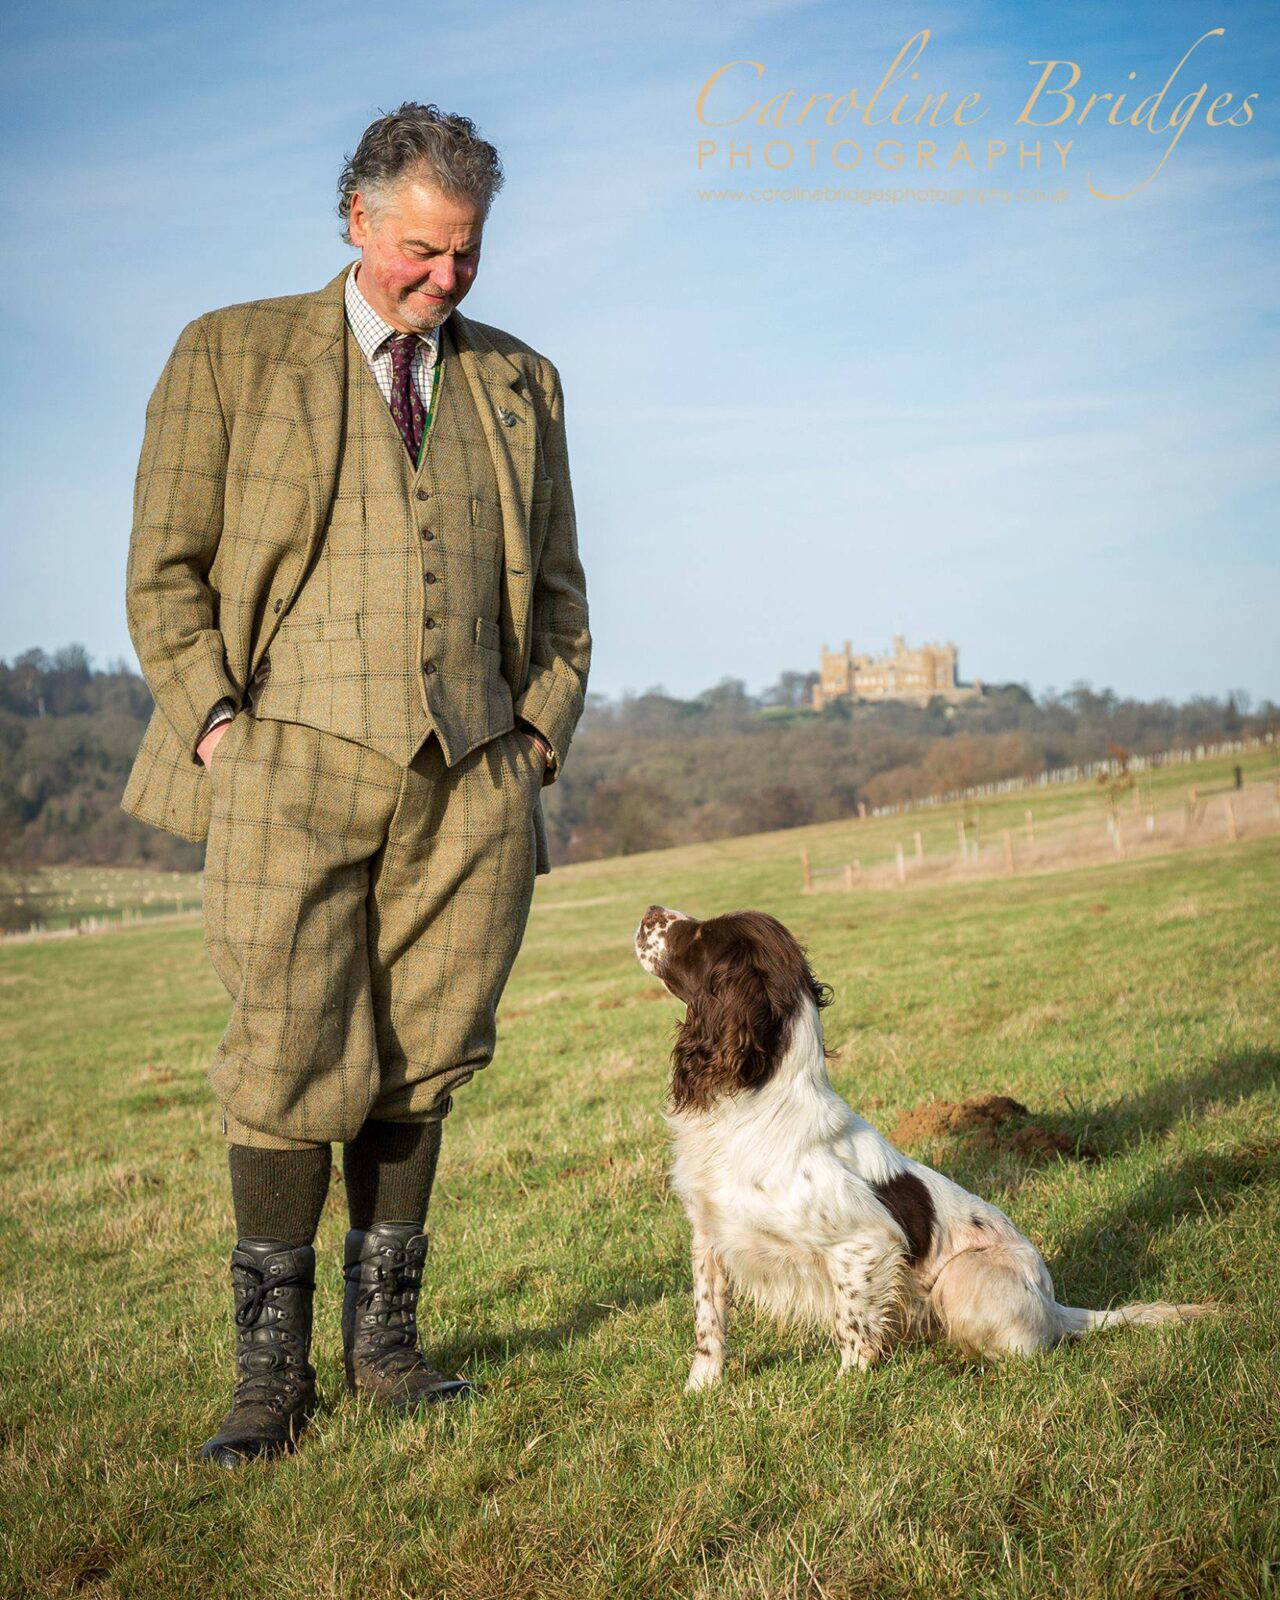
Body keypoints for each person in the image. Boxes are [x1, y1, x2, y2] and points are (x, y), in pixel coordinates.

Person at [122, 102, 590, 1466]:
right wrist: (220, 728)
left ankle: (388, 1349)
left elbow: (559, 597)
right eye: (421, 255)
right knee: (285, 1059)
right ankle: (268, 1381)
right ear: (358, 222)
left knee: (424, 1057)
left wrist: (536, 738)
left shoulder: (522, 381)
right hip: (286, 767)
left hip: (473, 781)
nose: (442, 282)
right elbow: (163, 574)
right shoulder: (228, 352)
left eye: (466, 260)